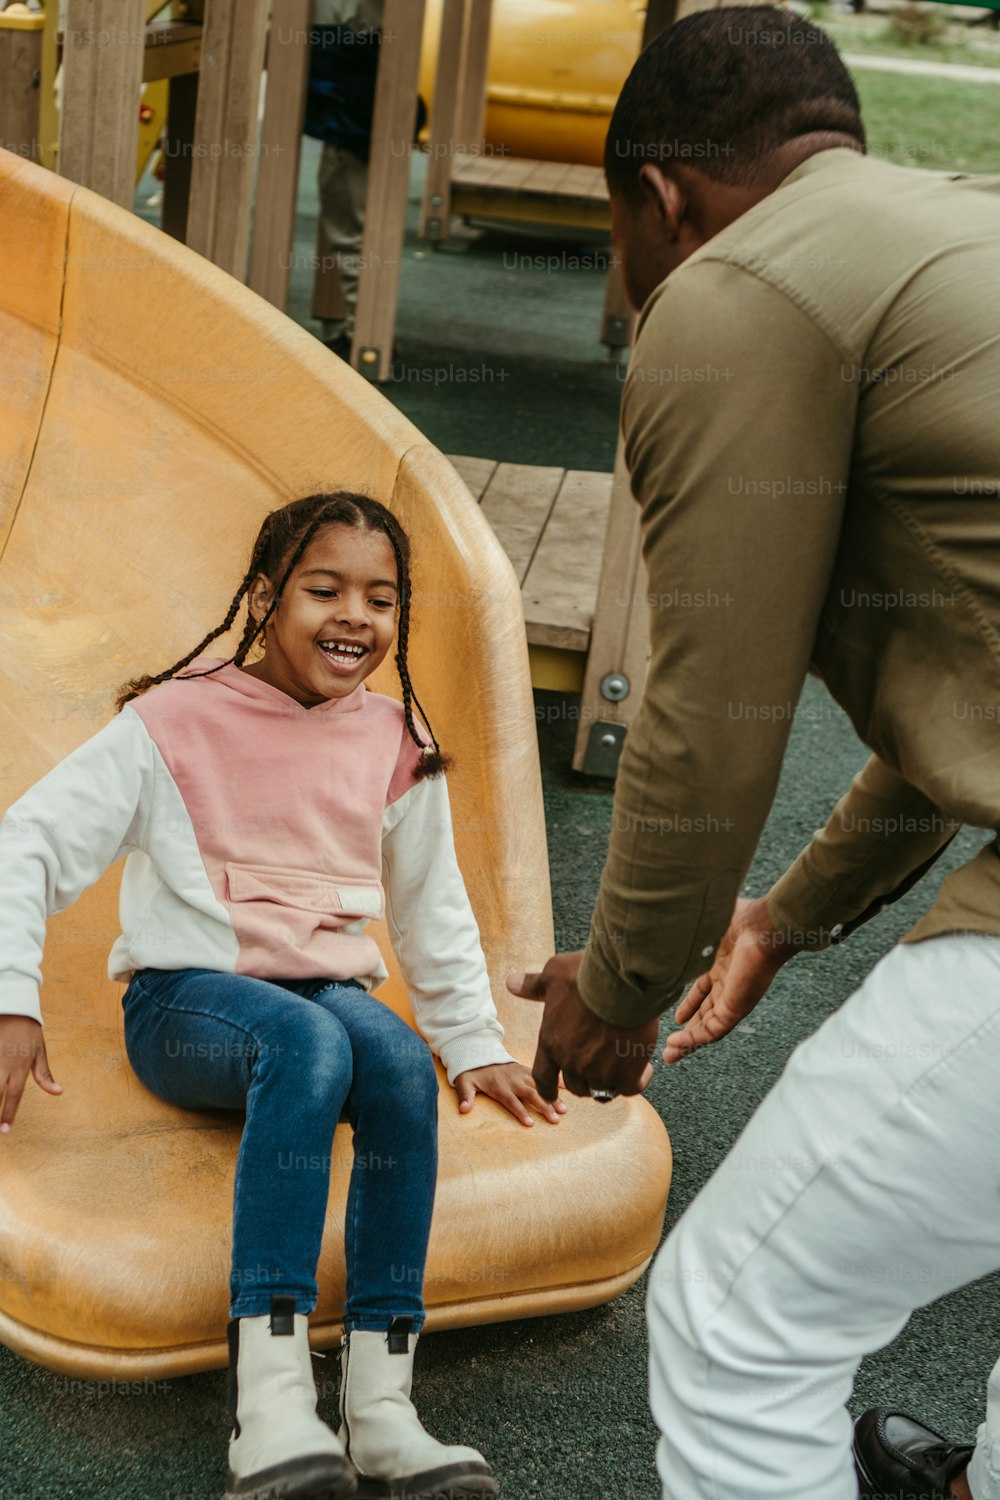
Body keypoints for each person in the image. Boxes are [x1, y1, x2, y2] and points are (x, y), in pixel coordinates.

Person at [506, 8, 1000, 1499]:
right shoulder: (941, 240)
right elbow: (960, 711)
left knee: (736, 1317)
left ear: (662, 197)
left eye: (623, 236)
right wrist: (782, 921)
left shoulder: (733, 292)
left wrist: (619, 986)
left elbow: (714, 712)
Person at [0, 491, 565, 1500]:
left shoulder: (395, 741)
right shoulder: (171, 722)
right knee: (307, 1048)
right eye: (325, 589)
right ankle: (268, 1410)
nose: (355, 615)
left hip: (318, 997)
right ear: (266, 598)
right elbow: (26, 844)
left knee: (389, 1055)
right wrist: (11, 1001)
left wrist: (472, 1039)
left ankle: (383, 1410)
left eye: (381, 598)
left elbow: (433, 909)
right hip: (186, 1006)